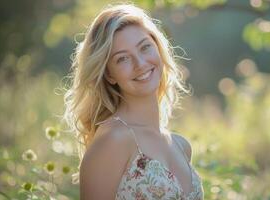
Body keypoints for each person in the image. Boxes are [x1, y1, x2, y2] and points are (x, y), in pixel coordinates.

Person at [63, 3, 204, 200]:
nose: (140, 64)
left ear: (157, 47)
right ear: (109, 74)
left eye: (145, 47)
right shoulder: (113, 139)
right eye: (123, 59)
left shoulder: (181, 146)